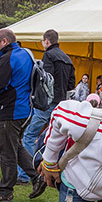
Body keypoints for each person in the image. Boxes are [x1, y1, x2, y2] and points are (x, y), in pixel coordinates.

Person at [0, 28, 46, 202]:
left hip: (10, 110)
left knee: (7, 151)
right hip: (25, 109)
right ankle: (37, 178)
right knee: (15, 147)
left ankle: (5, 191)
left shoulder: (7, 59)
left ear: (4, 41)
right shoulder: (25, 54)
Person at [18, 29, 75, 183]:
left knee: (29, 135)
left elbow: (45, 80)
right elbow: (71, 84)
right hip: (61, 104)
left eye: (43, 42)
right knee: (57, 139)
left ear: (47, 41)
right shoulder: (67, 59)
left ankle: (25, 174)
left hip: (47, 103)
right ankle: (55, 172)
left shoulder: (48, 55)